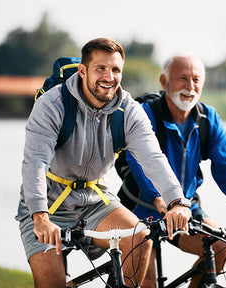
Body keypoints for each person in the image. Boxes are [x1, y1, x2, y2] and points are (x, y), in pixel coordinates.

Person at [15, 38, 191, 288]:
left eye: (116, 70)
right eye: (101, 68)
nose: (109, 77)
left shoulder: (128, 110)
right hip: (48, 203)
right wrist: (40, 215)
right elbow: (35, 163)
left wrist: (177, 201)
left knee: (140, 238)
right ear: (83, 70)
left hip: (96, 199)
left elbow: (152, 157)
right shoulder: (52, 105)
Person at [117, 53, 226, 288]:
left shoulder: (207, 119)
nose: (190, 87)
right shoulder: (146, 113)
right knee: (146, 283)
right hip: (141, 208)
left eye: (196, 80)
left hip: (184, 208)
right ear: (164, 82)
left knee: (220, 249)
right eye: (182, 78)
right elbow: (137, 160)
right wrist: (160, 200)